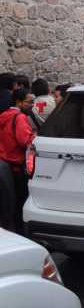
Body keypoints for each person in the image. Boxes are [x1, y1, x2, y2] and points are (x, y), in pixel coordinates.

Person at [0, 88, 36, 233]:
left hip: (4, 164)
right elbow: (25, 140)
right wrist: (36, 137)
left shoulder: (3, 115)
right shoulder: (19, 117)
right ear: (19, 102)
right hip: (16, 166)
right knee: (19, 201)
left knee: (7, 202)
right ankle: (20, 232)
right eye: (29, 102)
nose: (32, 105)